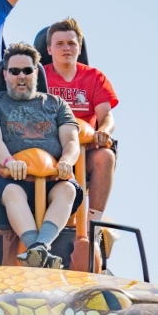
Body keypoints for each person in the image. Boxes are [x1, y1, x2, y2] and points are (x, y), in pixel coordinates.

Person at [0, 43, 82, 269]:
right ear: (5, 74)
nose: (21, 76)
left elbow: (71, 141)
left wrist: (66, 162)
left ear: (36, 73)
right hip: (9, 179)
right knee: (13, 191)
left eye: (27, 70)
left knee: (69, 189)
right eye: (14, 71)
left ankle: (40, 248)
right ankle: (35, 248)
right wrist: (9, 162)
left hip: (52, 178)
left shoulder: (57, 104)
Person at [43, 18, 118, 228]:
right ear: (49, 49)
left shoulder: (94, 77)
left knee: (106, 156)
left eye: (71, 43)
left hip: (84, 150)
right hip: (49, 149)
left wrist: (104, 130)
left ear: (79, 47)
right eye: (59, 44)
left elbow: (106, 116)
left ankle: (93, 225)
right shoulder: (40, 77)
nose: (66, 48)